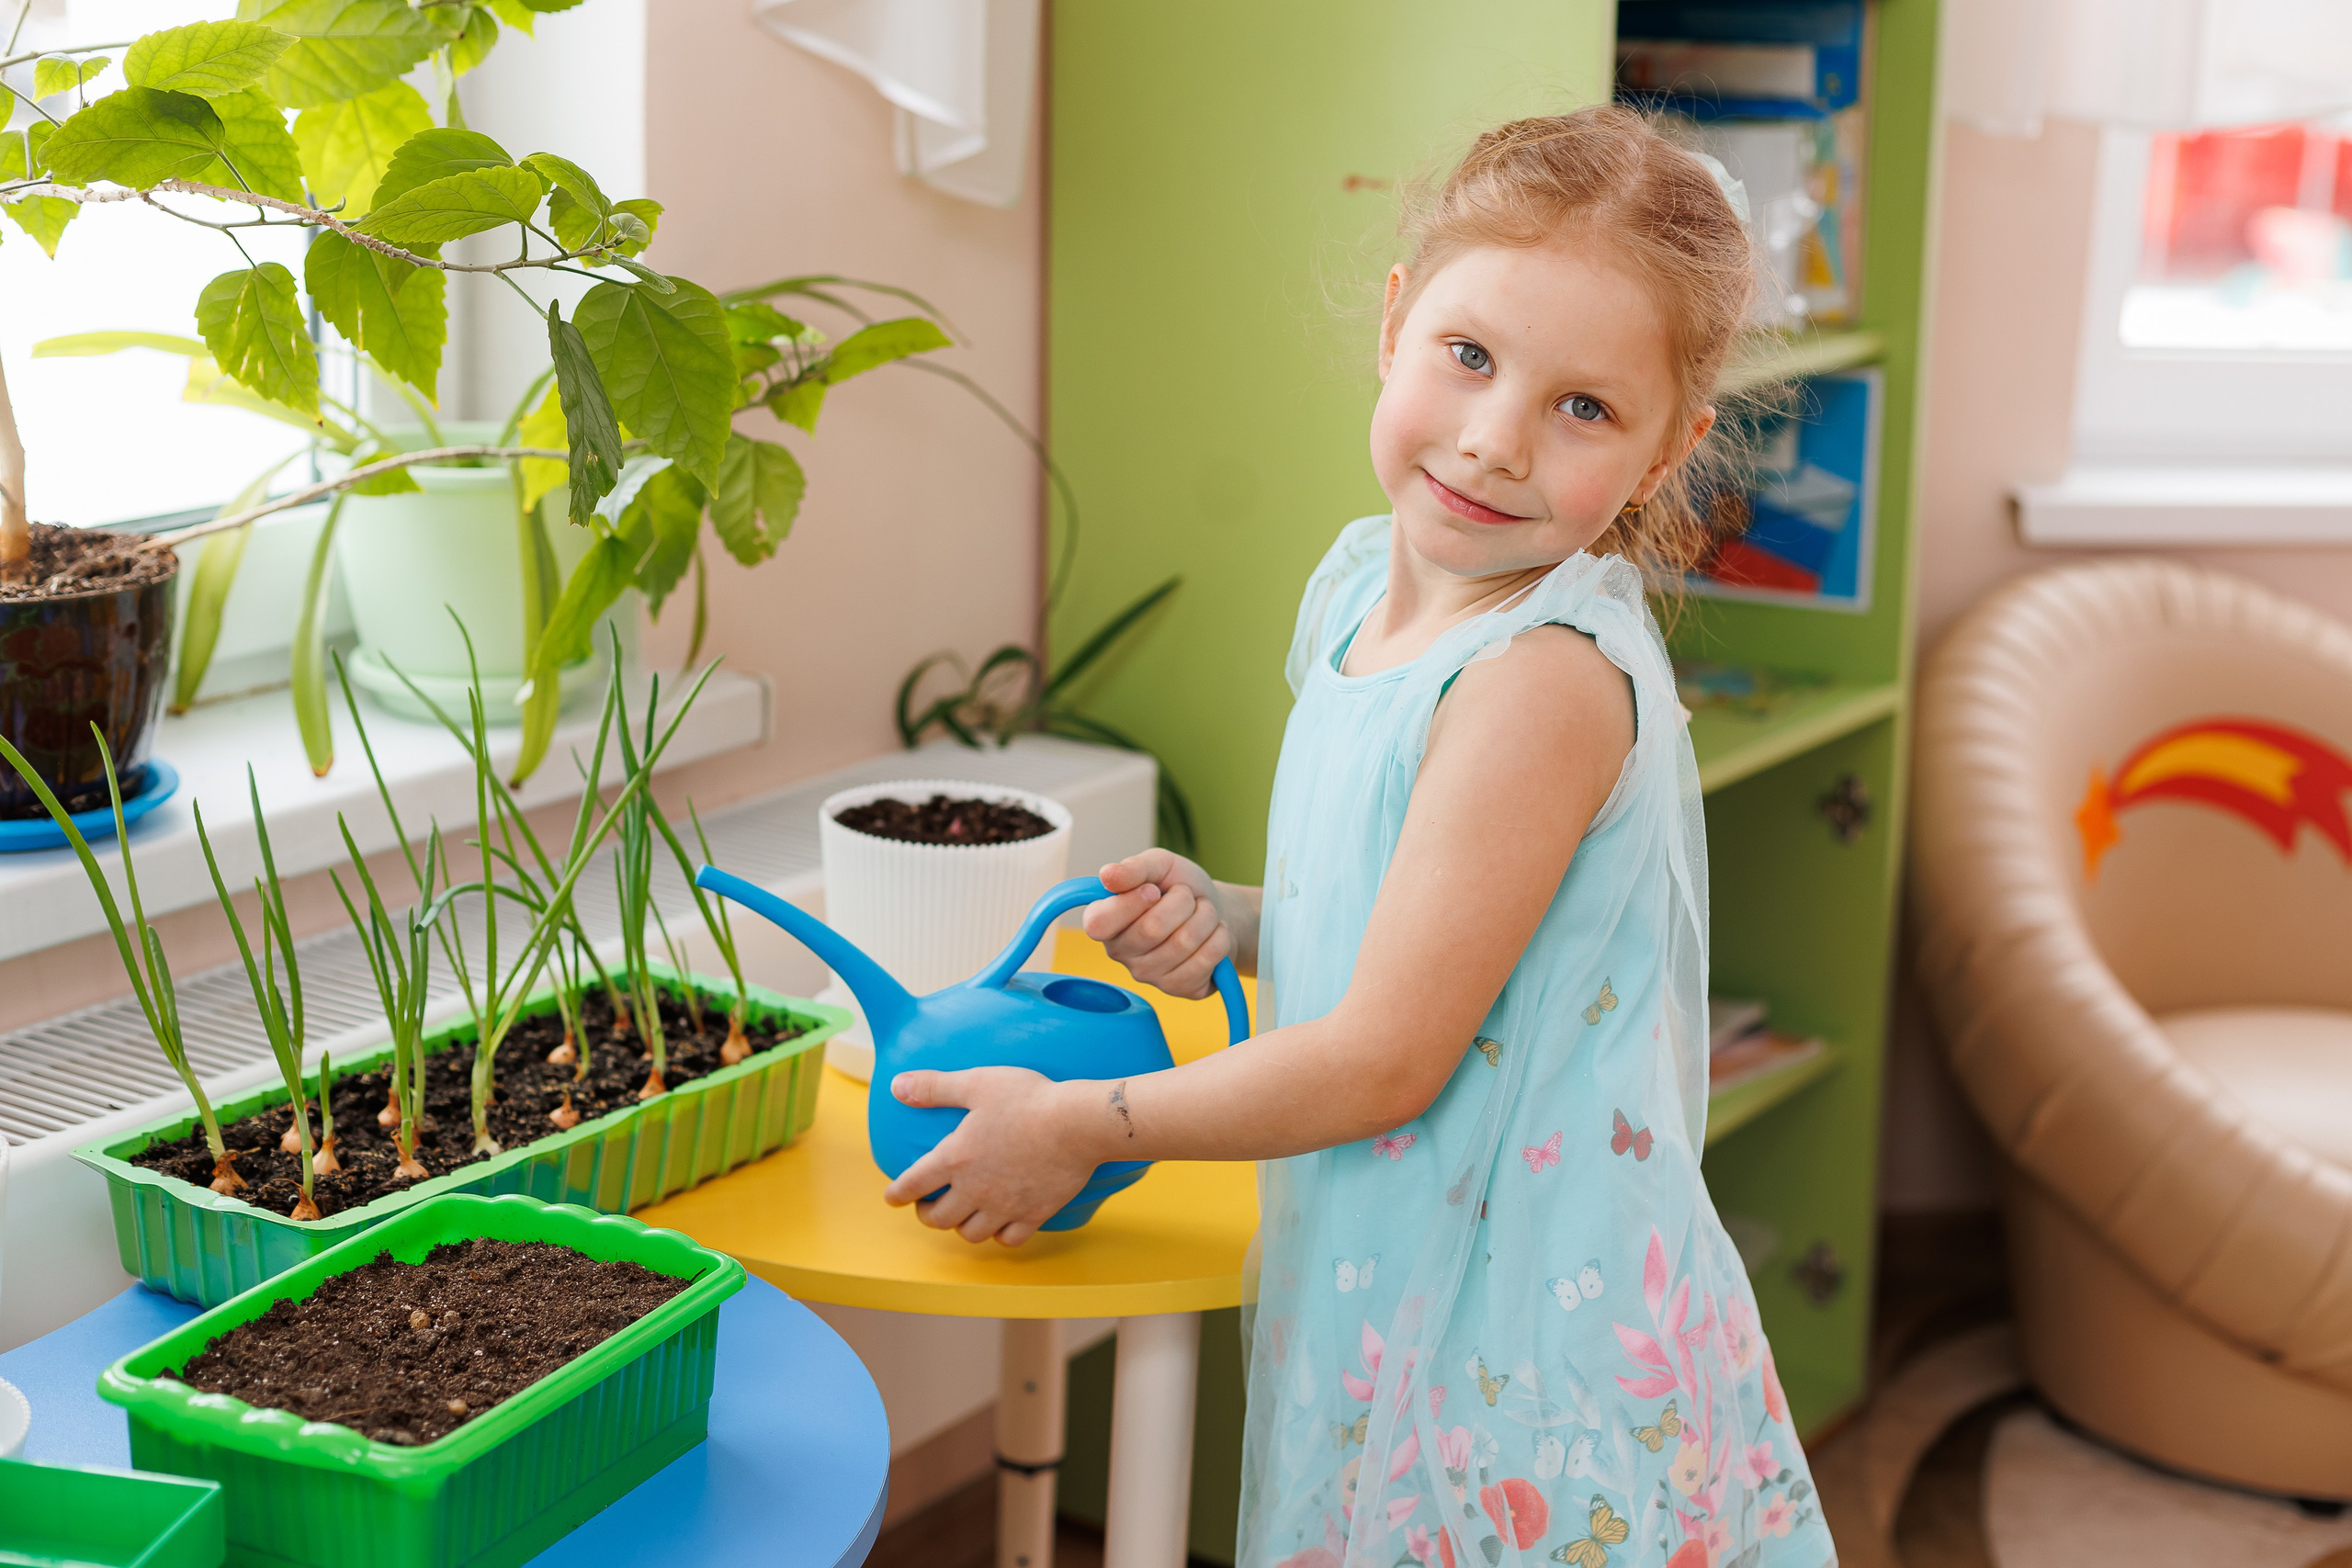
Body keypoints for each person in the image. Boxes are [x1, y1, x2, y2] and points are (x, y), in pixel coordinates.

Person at [881, 105, 1835, 1568]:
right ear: (1399, 320)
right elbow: (1429, 919)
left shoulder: (1539, 685)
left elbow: (1391, 1053)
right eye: (1471, 355)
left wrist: (1072, 1127)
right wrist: (1242, 917)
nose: (1494, 440)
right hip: (1391, 1269)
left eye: (1586, 409)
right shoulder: (1354, 592)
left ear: (1667, 453)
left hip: (1519, 1343)